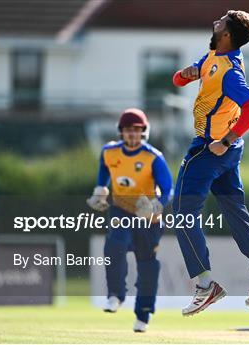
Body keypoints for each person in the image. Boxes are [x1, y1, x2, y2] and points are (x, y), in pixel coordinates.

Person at [171, 10, 249, 316]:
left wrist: (226, 140)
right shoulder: (213, 57)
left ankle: (206, 285)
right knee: (235, 211)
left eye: (220, 22)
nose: (214, 22)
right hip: (228, 152)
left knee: (181, 210)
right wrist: (186, 75)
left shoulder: (231, 71)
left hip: (210, 148)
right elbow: (178, 79)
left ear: (227, 34)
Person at [86, 108, 173, 332]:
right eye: (128, 130)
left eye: (136, 130)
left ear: (143, 132)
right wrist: (100, 189)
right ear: (121, 132)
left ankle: (143, 315)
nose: (132, 135)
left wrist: (158, 206)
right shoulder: (109, 152)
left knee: (147, 265)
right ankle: (115, 295)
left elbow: (168, 188)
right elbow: (104, 173)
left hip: (147, 214)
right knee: (115, 245)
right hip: (121, 209)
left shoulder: (153, 157)